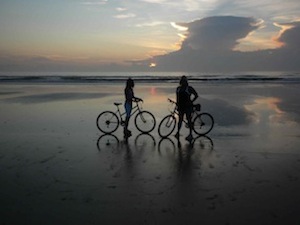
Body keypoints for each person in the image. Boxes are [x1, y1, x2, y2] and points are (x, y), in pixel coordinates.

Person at [175, 76, 198, 141]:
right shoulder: (178, 89)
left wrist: (191, 102)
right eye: (182, 81)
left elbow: (196, 95)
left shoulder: (189, 88)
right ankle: (178, 133)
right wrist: (177, 105)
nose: (183, 82)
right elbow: (177, 98)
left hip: (188, 107)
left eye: (184, 81)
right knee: (180, 120)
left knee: (189, 120)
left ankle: (190, 134)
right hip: (181, 107)